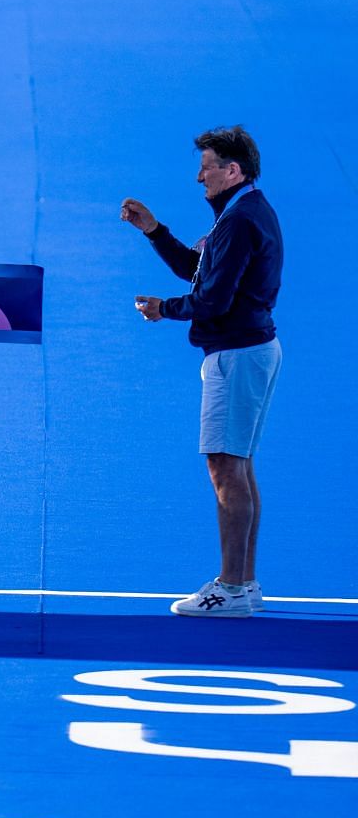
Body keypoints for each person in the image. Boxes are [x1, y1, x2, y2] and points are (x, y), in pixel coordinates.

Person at [122, 126, 282, 618]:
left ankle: (231, 588)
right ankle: (245, 583)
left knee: (225, 466)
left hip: (236, 356)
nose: (199, 177)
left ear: (233, 171)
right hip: (250, 351)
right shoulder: (243, 211)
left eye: (207, 167)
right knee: (239, 463)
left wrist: (162, 309)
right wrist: (155, 231)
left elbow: (210, 298)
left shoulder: (238, 222)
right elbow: (202, 271)